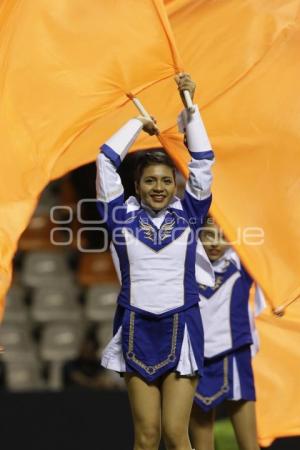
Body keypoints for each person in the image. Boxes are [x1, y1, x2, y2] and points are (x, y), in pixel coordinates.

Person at [96, 73, 215, 450]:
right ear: (137, 186)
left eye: (166, 180)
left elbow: (203, 161)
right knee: (147, 436)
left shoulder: (190, 214)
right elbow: (105, 160)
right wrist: (136, 124)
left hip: (181, 325)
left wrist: (189, 107)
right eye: (150, 181)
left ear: (175, 185)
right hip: (135, 327)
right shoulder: (120, 218)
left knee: (177, 433)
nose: (159, 187)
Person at [189, 217, 265, 450]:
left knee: (249, 445)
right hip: (194, 359)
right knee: (202, 446)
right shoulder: (185, 267)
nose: (215, 242)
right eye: (208, 235)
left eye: (222, 235)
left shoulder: (244, 264)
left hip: (235, 357)